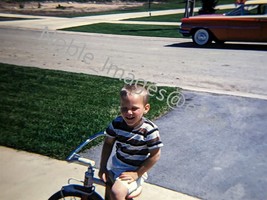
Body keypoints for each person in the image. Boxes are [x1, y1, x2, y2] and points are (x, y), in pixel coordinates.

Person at [98, 84, 163, 200]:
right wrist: (102, 166)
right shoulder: (117, 124)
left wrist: (137, 173)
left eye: (134, 108)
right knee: (108, 193)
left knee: (116, 193)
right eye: (124, 108)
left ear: (146, 108)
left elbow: (155, 155)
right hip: (116, 166)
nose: (128, 112)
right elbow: (108, 143)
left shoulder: (149, 130)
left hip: (135, 170)